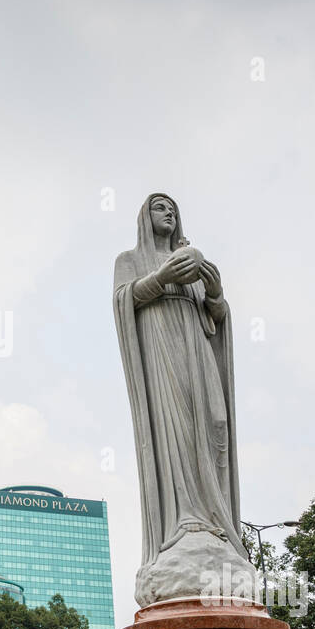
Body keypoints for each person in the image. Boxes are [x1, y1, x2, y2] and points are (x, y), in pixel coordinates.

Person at [113, 193, 250, 605]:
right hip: (161, 349)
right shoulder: (129, 259)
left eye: (173, 208)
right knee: (176, 429)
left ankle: (216, 521)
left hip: (197, 347)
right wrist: (161, 277)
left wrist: (214, 290)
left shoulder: (193, 257)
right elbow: (123, 301)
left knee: (215, 422)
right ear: (144, 217)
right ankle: (185, 518)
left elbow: (217, 319)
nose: (168, 212)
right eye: (159, 207)